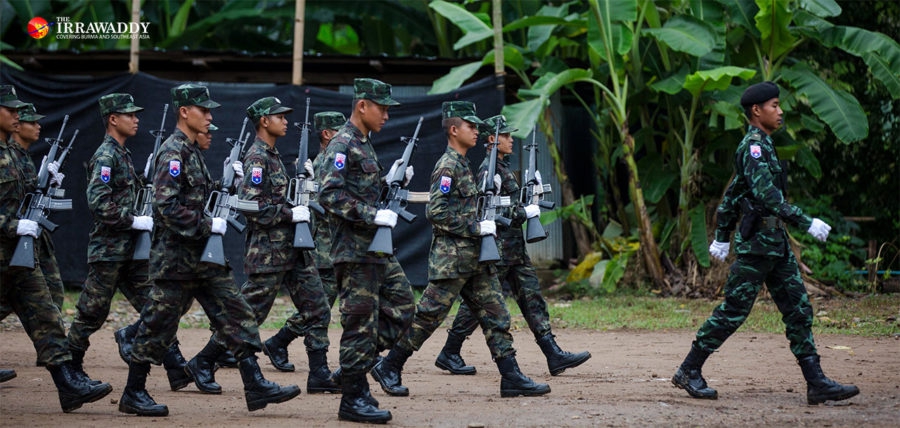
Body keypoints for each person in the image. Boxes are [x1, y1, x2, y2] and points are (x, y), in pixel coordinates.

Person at [672, 81, 859, 405]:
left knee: (799, 310)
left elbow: (733, 195)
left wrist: (721, 234)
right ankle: (689, 370)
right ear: (757, 111)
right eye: (774, 105)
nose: (780, 110)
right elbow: (765, 196)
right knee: (734, 311)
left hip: (775, 245)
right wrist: (805, 221)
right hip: (757, 247)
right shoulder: (753, 147)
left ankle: (816, 383)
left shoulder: (765, 145)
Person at [118, 84, 300, 416]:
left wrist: (223, 188)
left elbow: (193, 197)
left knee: (237, 314)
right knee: (158, 325)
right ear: (184, 112)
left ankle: (255, 383)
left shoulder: (191, 152)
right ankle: (133, 391)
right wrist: (207, 224)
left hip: (203, 260)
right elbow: (166, 207)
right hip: (175, 261)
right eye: (203, 110)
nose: (210, 116)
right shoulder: (173, 153)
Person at [370, 102, 550, 410]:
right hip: (452, 261)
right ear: (454, 130)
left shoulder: (464, 164)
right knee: (427, 318)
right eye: (471, 126)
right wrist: (477, 226)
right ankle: (389, 366)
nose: (477, 131)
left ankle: (511, 376)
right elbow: (436, 212)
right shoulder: (448, 166)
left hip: (475, 259)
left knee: (497, 315)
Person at [187, 96, 339, 395]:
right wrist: (288, 212)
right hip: (269, 252)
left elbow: (280, 197)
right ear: (264, 122)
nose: (285, 120)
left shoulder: (273, 156)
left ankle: (319, 373)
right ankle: (203, 362)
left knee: (318, 309)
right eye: (279, 116)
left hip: (295, 251)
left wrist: (307, 186)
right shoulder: (257, 158)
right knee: (248, 316)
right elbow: (250, 206)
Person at [435, 115, 591, 377]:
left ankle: (552, 353)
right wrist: (523, 212)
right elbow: (490, 210)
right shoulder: (489, 169)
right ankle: (450, 350)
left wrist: (533, 196)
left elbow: (509, 202)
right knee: (479, 305)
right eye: (505, 135)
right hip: (498, 249)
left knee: (533, 299)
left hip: (515, 249)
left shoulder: (503, 167)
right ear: (492, 139)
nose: (510, 140)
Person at [66, 93, 192, 392]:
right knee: (90, 313)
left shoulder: (122, 154)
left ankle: (175, 366)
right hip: (109, 251)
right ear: (113, 118)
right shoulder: (106, 156)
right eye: (129, 115)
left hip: (133, 251)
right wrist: (133, 220)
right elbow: (98, 203)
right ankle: (70, 370)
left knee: (157, 306)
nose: (136, 119)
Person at [0, 84, 113, 412]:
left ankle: (67, 383)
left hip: (19, 256)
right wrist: (13, 225)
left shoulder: (13, 154)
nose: (17, 115)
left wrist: (45, 186)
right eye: (10, 109)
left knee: (47, 316)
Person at [319, 78, 416, 424]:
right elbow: (329, 195)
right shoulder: (343, 143)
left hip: (374, 251)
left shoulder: (363, 143)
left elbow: (359, 190)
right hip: (355, 250)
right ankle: (353, 396)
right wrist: (374, 214)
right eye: (382, 107)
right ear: (362, 105)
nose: (387, 115)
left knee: (404, 305)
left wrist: (389, 184)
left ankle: (351, 370)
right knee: (359, 323)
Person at [260, 110, 345, 385]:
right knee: (319, 306)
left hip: (331, 244)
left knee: (320, 306)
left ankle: (278, 342)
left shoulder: (333, 162)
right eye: (339, 131)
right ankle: (277, 343)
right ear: (327, 134)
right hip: (321, 246)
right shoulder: (322, 163)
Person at [6, 103, 65, 312]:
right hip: (11, 239)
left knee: (52, 295)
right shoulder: (9, 157)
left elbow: (28, 195)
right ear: (17, 127)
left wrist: (50, 185)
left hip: (34, 237)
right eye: (31, 122)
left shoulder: (25, 158)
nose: (38, 126)